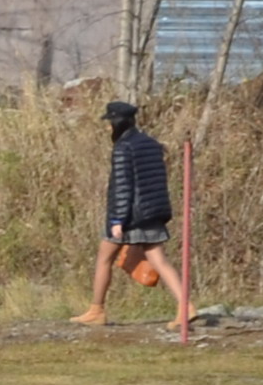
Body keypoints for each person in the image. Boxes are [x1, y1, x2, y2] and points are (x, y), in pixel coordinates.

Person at [83, 96, 196, 337]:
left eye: (109, 122)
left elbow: (123, 187)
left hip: (130, 215)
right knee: (160, 262)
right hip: (152, 212)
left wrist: (117, 221)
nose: (107, 127)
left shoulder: (123, 148)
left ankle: (97, 310)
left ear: (117, 123)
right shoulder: (151, 143)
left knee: (104, 259)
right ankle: (186, 306)